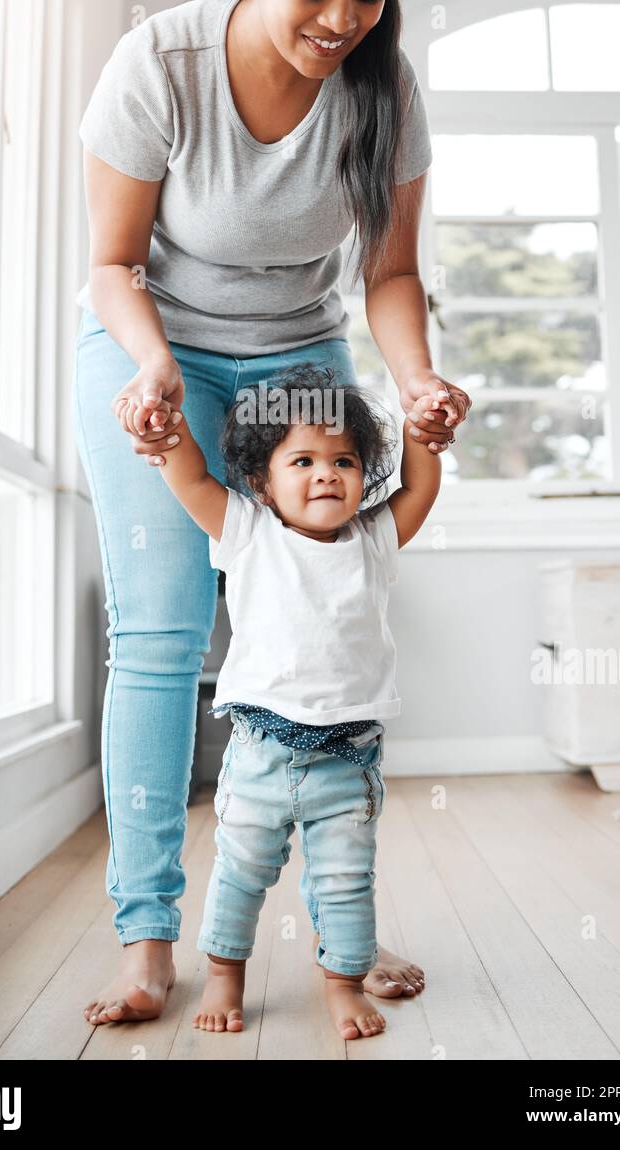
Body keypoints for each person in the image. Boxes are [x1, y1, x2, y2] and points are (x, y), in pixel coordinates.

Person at [72, 0, 471, 1028]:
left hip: (299, 353)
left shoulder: (379, 88)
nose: (341, 22)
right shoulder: (163, 64)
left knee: (322, 610)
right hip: (157, 344)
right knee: (163, 636)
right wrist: (147, 368)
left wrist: (411, 380)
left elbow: (388, 278)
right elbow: (111, 263)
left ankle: (340, 928)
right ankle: (150, 936)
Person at [143, 362, 441, 1038]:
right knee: (241, 874)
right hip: (261, 756)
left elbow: (419, 484)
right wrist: (166, 432)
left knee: (346, 882)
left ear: (365, 474)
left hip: (349, 760)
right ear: (260, 481)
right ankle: (223, 976)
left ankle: (340, 983)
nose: (326, 473)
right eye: (302, 460)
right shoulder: (246, 532)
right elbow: (189, 478)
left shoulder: (374, 540)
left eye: (343, 460)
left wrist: (423, 428)